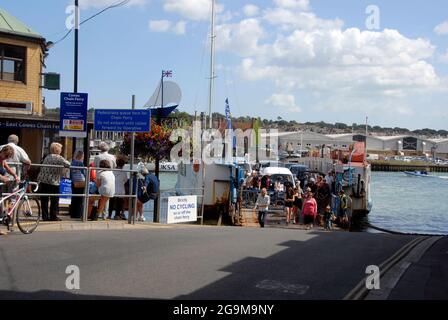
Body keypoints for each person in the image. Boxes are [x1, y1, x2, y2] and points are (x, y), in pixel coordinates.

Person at [37, 142, 70, 221]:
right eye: (60, 149)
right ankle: (53, 216)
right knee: (54, 199)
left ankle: (45, 216)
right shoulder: (58, 157)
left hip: (43, 180)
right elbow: (68, 164)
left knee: (44, 200)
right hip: (53, 181)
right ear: (57, 150)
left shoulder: (47, 157)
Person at [69, 150, 85, 219]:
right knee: (80, 199)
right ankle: (78, 214)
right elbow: (83, 173)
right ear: (82, 156)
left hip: (74, 182)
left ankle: (73, 214)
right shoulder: (80, 163)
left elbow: (70, 173)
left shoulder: (72, 162)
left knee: (74, 198)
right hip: (80, 182)